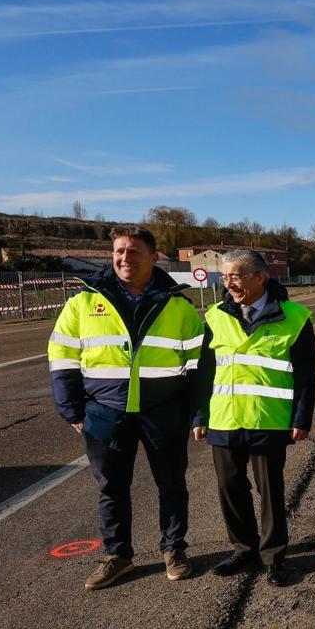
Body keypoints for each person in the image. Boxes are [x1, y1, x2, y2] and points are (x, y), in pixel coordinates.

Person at [49, 225, 203, 589]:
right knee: (112, 489)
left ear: (153, 258)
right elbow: (62, 358)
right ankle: (118, 556)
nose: (125, 258)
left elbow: (199, 364)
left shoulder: (177, 305)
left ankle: (174, 549)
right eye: (119, 251)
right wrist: (72, 409)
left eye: (134, 252)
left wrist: (196, 413)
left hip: (163, 412)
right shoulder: (84, 303)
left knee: (172, 485)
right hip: (104, 412)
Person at [193, 248, 315, 587]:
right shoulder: (216, 315)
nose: (228, 282)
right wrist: (199, 415)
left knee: (270, 491)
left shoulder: (294, 317)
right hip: (224, 419)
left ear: (260, 277)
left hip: (269, 420)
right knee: (230, 489)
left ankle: (273, 557)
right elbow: (204, 372)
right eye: (225, 276)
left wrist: (302, 418)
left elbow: (307, 374)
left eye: (235, 275)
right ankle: (243, 550)